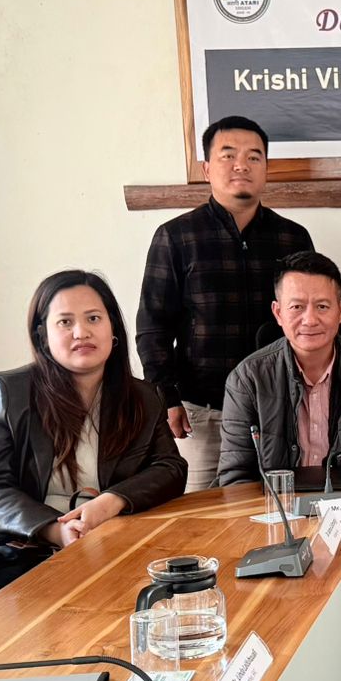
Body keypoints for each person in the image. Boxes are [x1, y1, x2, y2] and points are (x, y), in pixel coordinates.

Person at [0, 271, 187, 600]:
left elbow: (171, 467)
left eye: (93, 318)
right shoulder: (2, 392)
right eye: (65, 322)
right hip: (9, 558)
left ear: (113, 328)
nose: (81, 332)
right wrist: (55, 530)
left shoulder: (143, 397)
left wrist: (111, 502)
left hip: (106, 547)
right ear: (43, 335)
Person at [137, 115, 315, 490]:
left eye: (253, 157)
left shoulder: (293, 238)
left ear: (266, 168)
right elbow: (153, 327)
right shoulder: (176, 236)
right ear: (206, 168)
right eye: (228, 155)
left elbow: (308, 322)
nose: (241, 165)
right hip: (201, 414)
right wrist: (166, 398)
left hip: (279, 411)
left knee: (282, 510)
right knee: (200, 514)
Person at [219, 251, 341, 484]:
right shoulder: (247, 380)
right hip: (274, 504)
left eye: (322, 306)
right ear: (278, 313)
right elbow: (235, 479)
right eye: (297, 307)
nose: (310, 320)